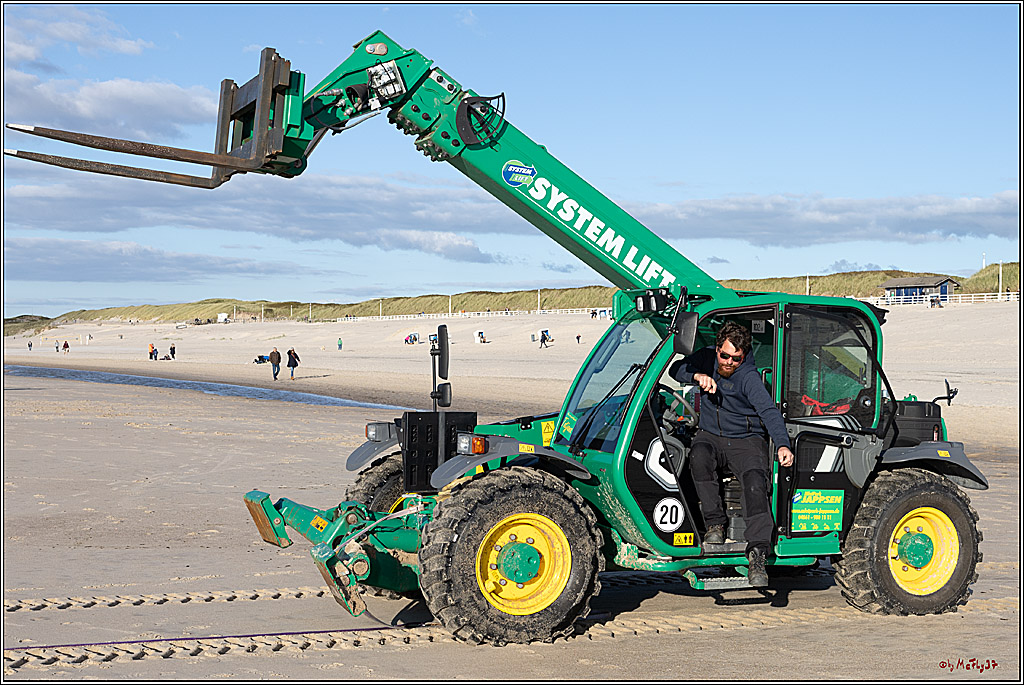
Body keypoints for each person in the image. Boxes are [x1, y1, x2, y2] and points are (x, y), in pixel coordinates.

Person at [669, 321, 794, 587]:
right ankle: (715, 525)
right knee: (698, 456)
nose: (728, 363)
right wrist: (695, 376)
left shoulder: (748, 377)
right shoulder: (706, 358)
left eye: (736, 358)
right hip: (711, 436)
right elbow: (675, 369)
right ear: (717, 349)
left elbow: (769, 413)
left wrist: (783, 444)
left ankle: (758, 553)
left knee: (754, 482)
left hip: (746, 441)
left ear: (743, 356)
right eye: (724, 356)